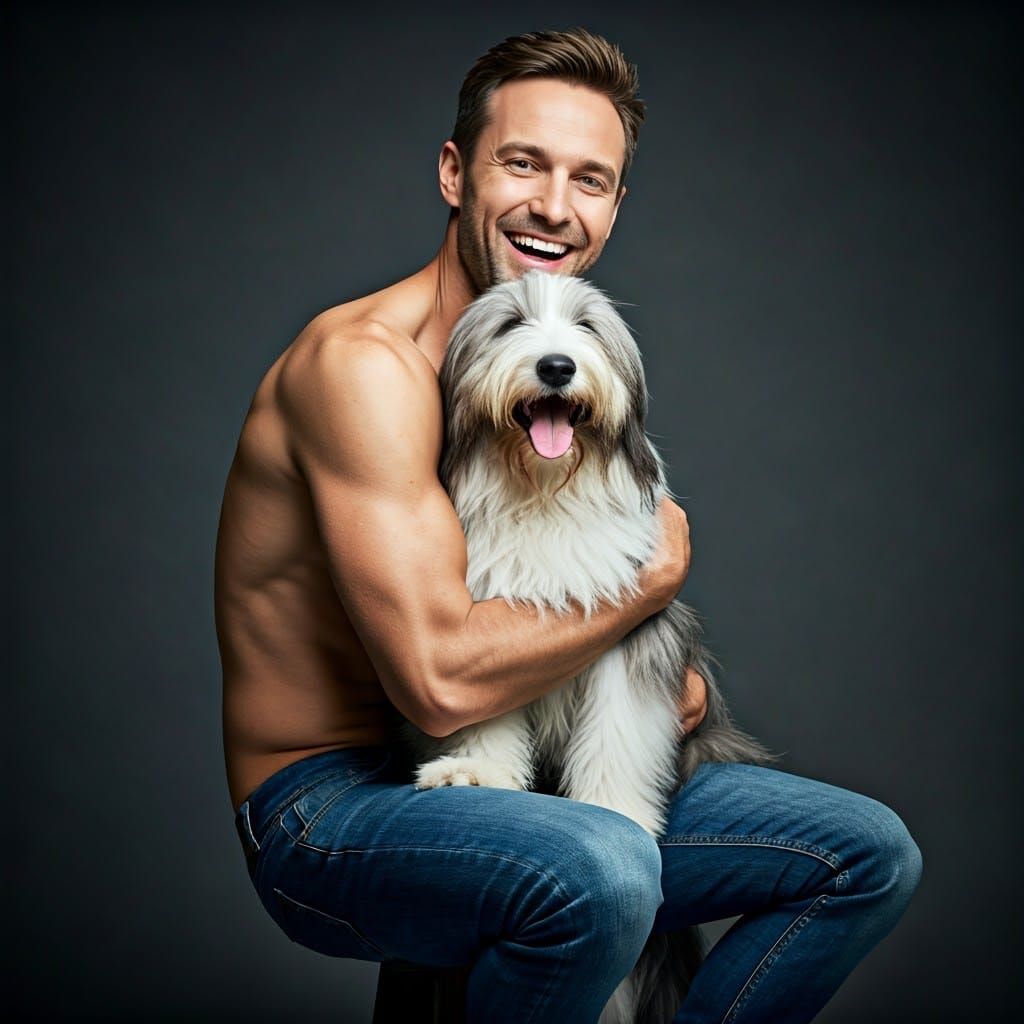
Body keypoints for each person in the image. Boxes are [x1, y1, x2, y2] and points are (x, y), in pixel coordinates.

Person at [215, 28, 922, 1023]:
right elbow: (440, 677)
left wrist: (651, 671)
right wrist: (646, 583)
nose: (554, 205)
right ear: (455, 171)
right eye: (523, 163)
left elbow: (588, 630)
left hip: (546, 767)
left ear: (615, 204)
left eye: (590, 179)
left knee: (864, 854)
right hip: (330, 808)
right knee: (606, 864)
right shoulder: (367, 369)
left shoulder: (557, 374)